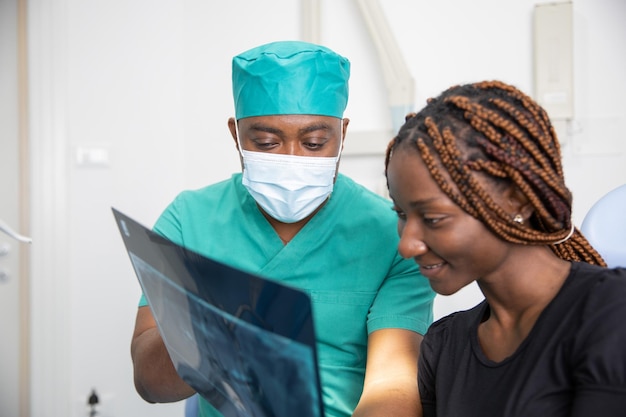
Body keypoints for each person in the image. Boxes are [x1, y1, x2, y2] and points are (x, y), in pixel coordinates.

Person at [130, 40, 435, 417]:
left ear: (342, 134)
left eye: (314, 142)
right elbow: (148, 381)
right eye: (267, 142)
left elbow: (393, 384)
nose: (292, 160)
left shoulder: (392, 234)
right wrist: (211, 335)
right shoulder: (189, 220)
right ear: (236, 135)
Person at [384, 80, 626, 416]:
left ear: (517, 200)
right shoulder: (444, 345)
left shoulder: (610, 313)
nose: (407, 244)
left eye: (434, 218)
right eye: (401, 214)